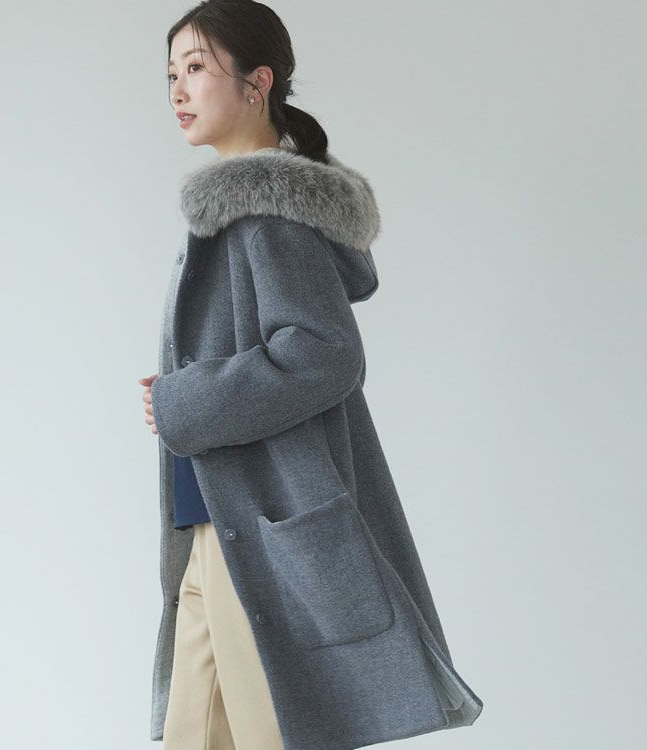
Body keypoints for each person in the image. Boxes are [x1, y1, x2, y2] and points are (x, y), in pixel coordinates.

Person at [139, 2, 483, 748]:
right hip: (216, 524)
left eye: (196, 68)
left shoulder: (267, 212)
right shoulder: (233, 211)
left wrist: (184, 399)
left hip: (259, 528)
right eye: (171, 74)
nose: (178, 90)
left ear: (257, 82)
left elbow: (322, 353)